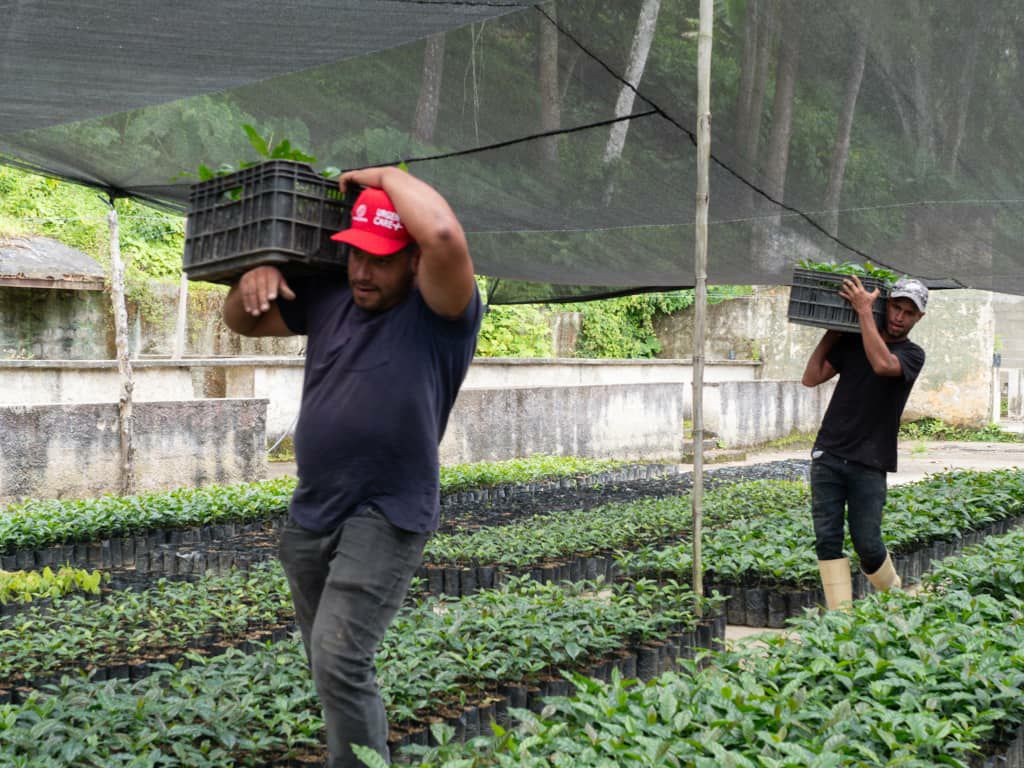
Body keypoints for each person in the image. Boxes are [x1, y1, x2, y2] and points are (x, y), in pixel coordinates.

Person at [222, 166, 482, 767]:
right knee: (326, 661)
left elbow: (444, 236)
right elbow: (241, 320)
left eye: (382, 259)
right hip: (313, 510)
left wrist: (388, 176)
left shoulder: (441, 313)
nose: (363, 271)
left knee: (340, 657)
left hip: (386, 510)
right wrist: (251, 278)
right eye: (356, 255)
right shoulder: (334, 297)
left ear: (413, 261)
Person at [801, 274, 928, 611]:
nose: (899, 317)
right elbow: (811, 377)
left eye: (908, 312)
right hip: (829, 454)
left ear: (919, 318)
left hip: (870, 463)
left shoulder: (912, 355)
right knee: (827, 540)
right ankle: (841, 619)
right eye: (896, 308)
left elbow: (883, 364)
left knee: (868, 544)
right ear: (886, 306)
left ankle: (896, 598)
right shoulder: (855, 341)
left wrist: (861, 315)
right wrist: (835, 328)